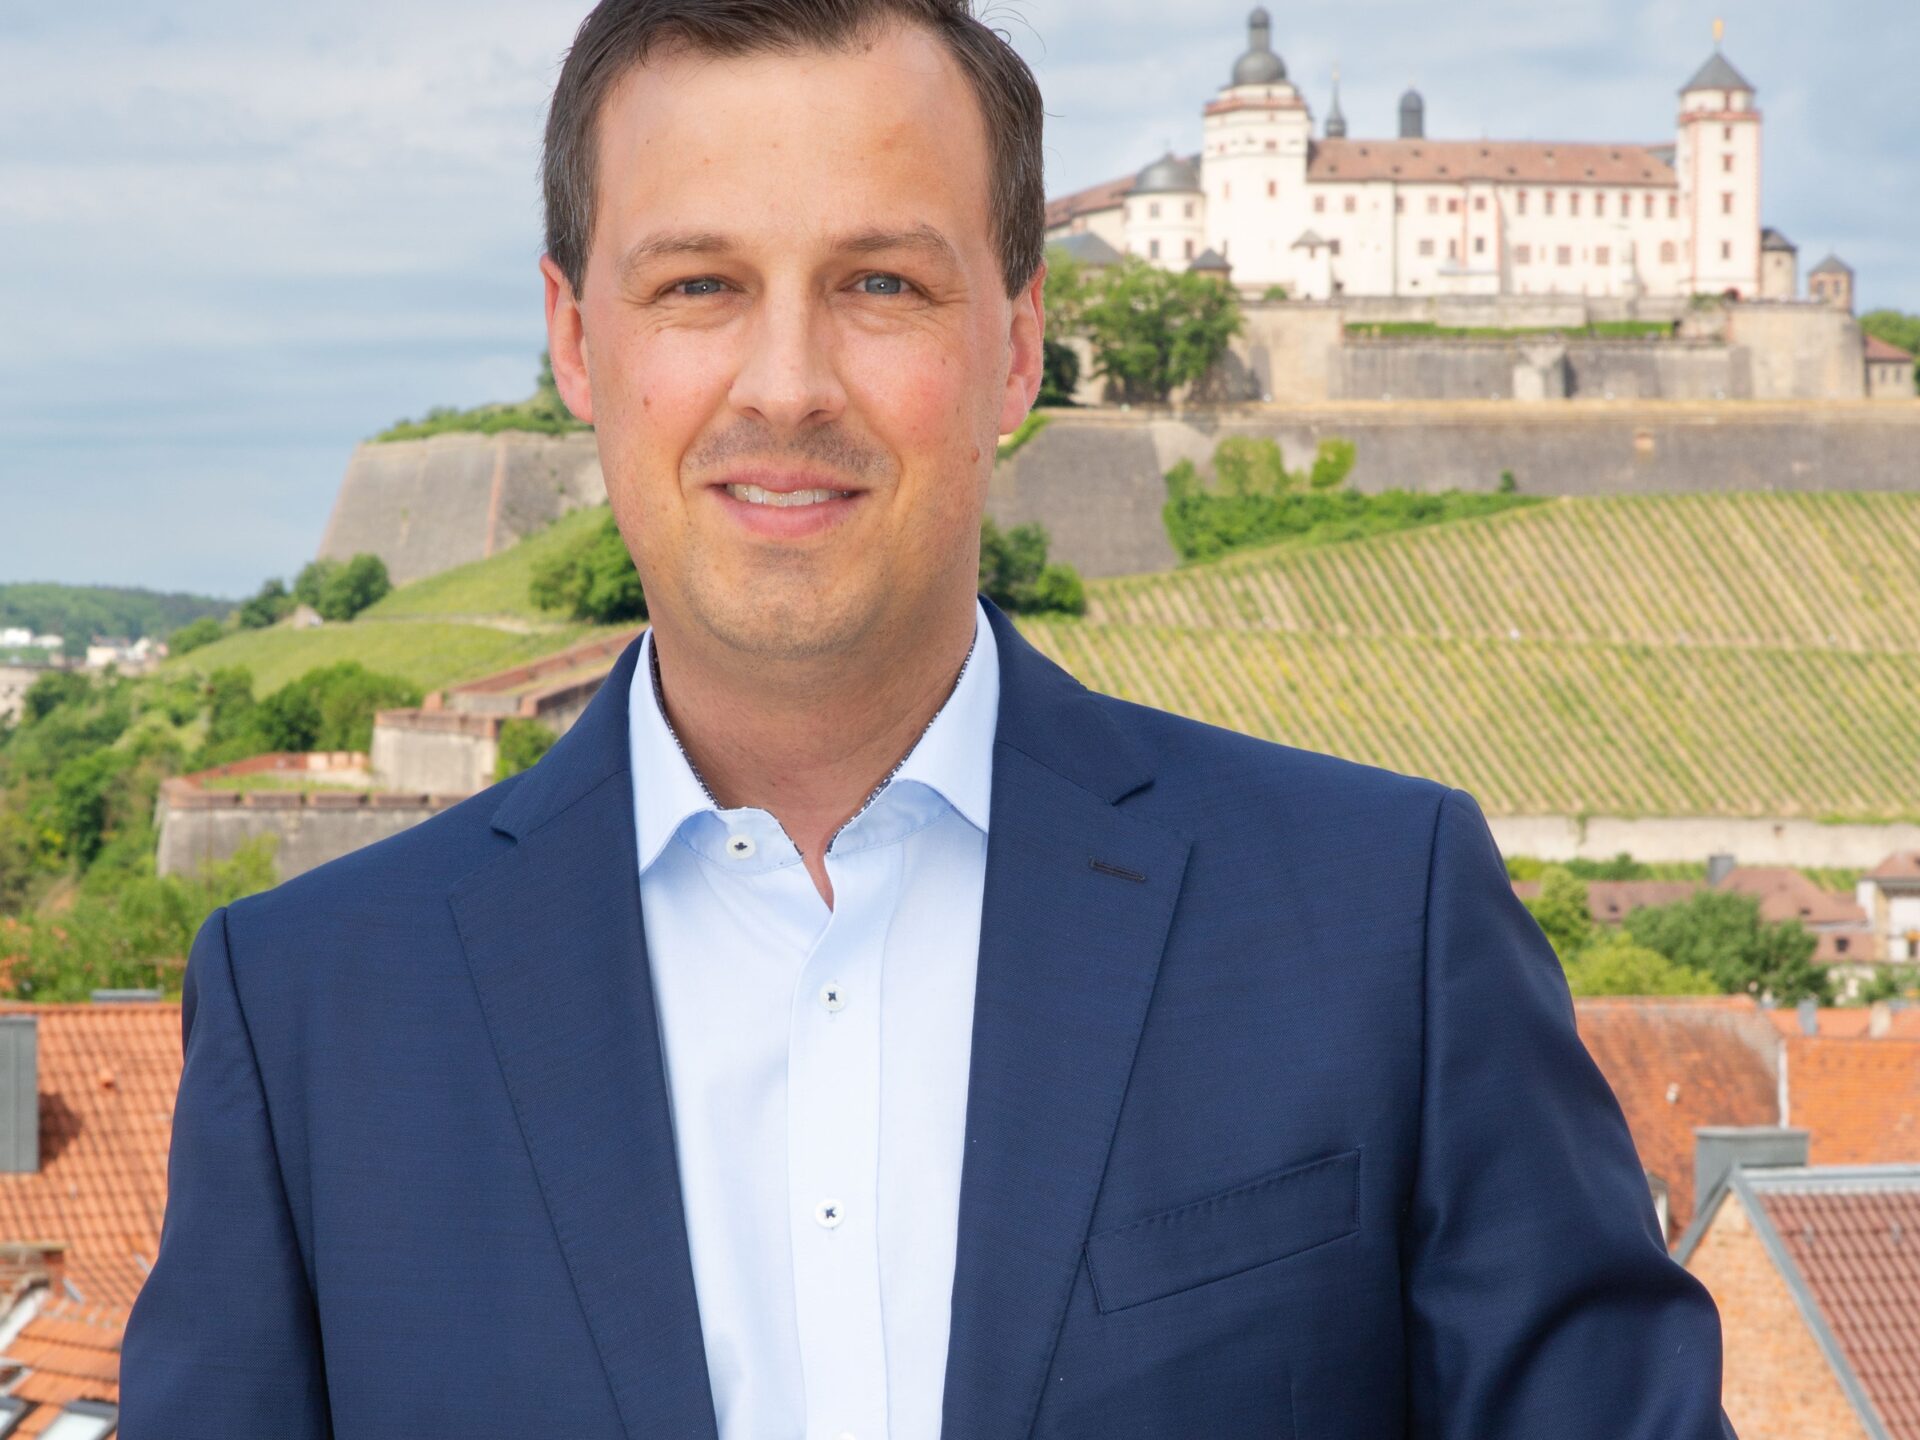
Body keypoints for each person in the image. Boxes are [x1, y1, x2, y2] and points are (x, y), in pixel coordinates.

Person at [121, 1, 1738, 1435]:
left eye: (880, 283)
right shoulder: (311, 1010)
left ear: (1017, 346)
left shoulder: (1384, 920)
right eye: (698, 284)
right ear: (575, 343)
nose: (786, 382)